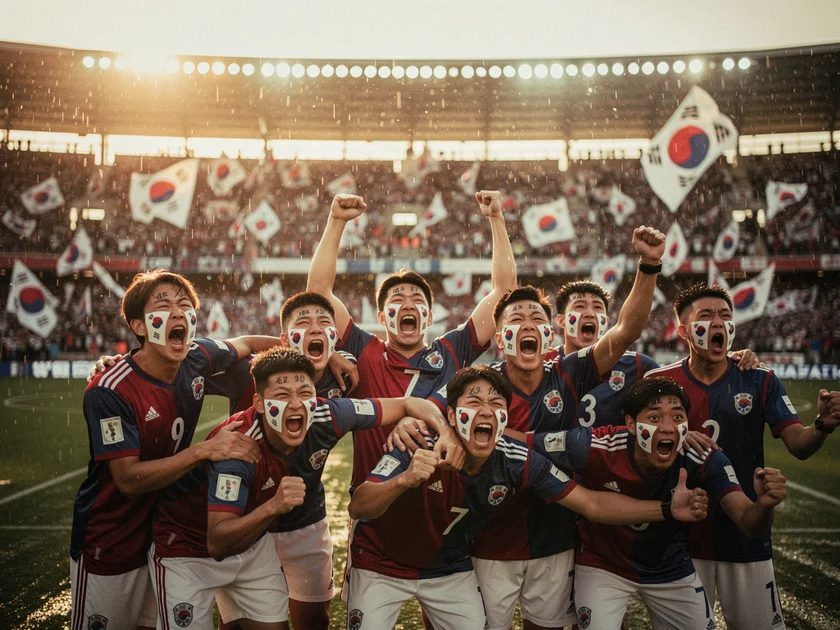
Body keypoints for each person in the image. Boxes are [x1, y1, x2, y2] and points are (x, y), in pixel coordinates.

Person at [345, 366, 709, 630]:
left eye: (496, 403)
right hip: (380, 563)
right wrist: (404, 480)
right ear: (452, 416)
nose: (486, 410)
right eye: (475, 401)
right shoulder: (418, 443)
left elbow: (592, 504)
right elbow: (358, 505)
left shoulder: (517, 460)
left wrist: (666, 508)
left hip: (446, 569)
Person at [150, 347, 453, 630]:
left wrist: (443, 433)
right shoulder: (238, 445)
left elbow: (409, 403)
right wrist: (273, 506)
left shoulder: (325, 413)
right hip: (187, 546)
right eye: (282, 395)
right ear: (259, 403)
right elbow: (217, 542)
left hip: (252, 541)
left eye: (304, 393)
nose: (295, 403)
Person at [468, 225, 665, 630]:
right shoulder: (479, 386)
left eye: (536, 318)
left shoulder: (570, 372)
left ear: (549, 333)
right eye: (516, 318)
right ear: (500, 338)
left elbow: (626, 331)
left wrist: (648, 266)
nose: (527, 324)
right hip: (489, 539)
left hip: (555, 538)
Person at [70, 269, 282, 630]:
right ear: (139, 326)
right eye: (163, 304)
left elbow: (247, 342)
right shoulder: (110, 389)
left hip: (161, 531)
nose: (178, 311)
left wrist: (315, 356)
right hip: (111, 538)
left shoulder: (197, 356)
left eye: (185, 305)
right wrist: (204, 451)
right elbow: (128, 480)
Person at [645, 283, 840, 630]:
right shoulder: (658, 383)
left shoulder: (759, 379)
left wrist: (822, 424)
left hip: (746, 533)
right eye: (706, 315)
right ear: (683, 331)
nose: (718, 322)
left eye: (725, 315)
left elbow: (799, 444)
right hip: (678, 540)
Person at [306, 190, 517, 491]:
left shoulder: (452, 350)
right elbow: (318, 293)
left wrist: (496, 218)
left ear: (429, 317)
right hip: (375, 503)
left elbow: (504, 294)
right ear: (382, 318)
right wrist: (336, 221)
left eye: (417, 299)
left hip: (439, 505)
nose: (408, 304)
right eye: (397, 299)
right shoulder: (365, 352)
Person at [544, 377, 786, 630]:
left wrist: (764, 505)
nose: (668, 428)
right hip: (603, 563)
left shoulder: (703, 457)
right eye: (655, 417)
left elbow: (748, 522)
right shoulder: (597, 445)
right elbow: (530, 444)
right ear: (631, 424)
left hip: (670, 566)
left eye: (677, 417)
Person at [551, 280, 762, 430]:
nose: (590, 313)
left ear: (606, 321)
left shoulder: (639, 365)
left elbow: (684, 385)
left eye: (597, 308)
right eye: (579, 306)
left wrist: (727, 359)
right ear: (560, 320)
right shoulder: (546, 365)